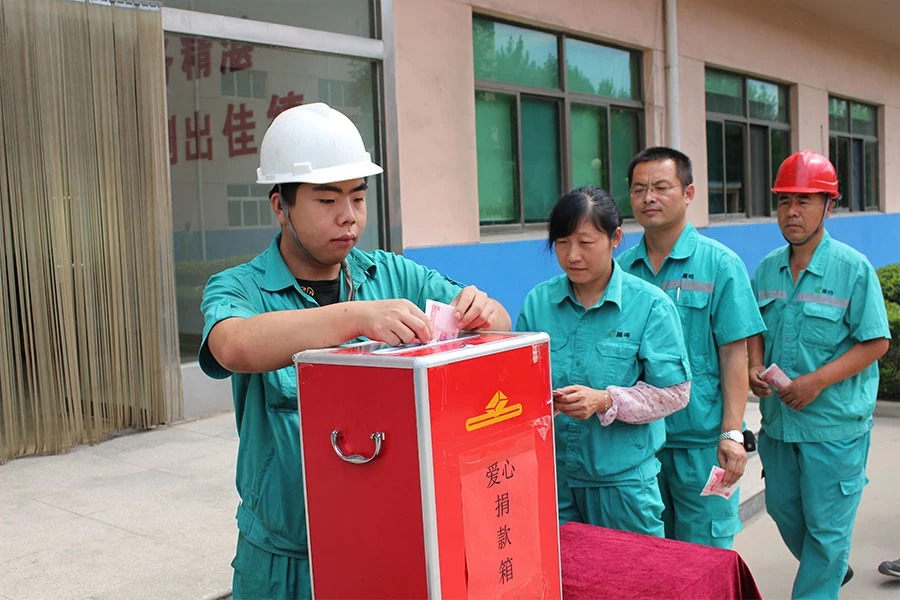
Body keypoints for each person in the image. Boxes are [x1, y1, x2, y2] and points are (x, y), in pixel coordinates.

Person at [198, 102, 511, 599]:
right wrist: (355, 318)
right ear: (280, 206)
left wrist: (483, 309)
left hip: (383, 541)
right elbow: (233, 345)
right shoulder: (240, 287)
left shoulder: (393, 274)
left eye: (358, 198)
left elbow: (499, 323)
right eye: (327, 200)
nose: (348, 217)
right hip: (286, 556)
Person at [747, 149, 891, 598]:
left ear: (829, 205)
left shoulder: (852, 269)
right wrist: (754, 365)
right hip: (780, 426)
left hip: (834, 428)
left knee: (827, 532)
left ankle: (823, 574)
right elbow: (755, 329)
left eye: (804, 201)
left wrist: (816, 382)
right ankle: (829, 566)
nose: (792, 211)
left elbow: (876, 342)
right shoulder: (767, 268)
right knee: (783, 509)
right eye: (784, 201)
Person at [516, 186, 691, 536]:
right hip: (555, 480)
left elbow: (675, 393)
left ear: (615, 239)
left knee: (633, 570)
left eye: (585, 242)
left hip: (624, 486)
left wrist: (605, 400)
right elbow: (517, 382)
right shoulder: (539, 302)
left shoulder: (650, 306)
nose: (572, 256)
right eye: (562, 243)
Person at [618, 146, 765, 549]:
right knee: (649, 558)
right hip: (638, 446)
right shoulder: (622, 271)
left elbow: (734, 354)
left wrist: (732, 432)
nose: (648, 197)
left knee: (705, 557)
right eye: (639, 189)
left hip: (702, 446)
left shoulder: (720, 264)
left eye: (661, 187)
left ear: (688, 193)